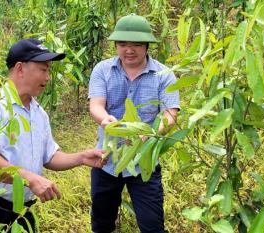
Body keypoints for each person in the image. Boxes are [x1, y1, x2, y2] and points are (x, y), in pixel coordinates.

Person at [0, 38, 106, 232]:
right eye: (43, 70)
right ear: (20, 69)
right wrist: (29, 178)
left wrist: (81, 157)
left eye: (49, 71)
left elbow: (50, 156)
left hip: (22, 212)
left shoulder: (38, 113)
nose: (48, 78)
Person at [88, 14, 180, 233]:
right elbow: (96, 105)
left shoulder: (164, 75)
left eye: (136, 44)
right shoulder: (102, 70)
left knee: (152, 225)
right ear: (116, 45)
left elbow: (170, 115)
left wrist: (151, 133)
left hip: (144, 160)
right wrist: (105, 119)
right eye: (122, 44)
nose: (129, 50)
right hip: (106, 159)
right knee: (101, 223)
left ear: (147, 45)